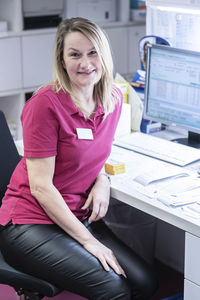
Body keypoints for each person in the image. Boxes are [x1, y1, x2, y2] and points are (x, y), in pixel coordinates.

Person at [0, 17, 158, 300]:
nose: (85, 63)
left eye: (92, 52)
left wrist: (103, 179)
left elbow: (90, 153)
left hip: (75, 216)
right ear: (62, 61)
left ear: (104, 55)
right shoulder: (45, 105)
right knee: (114, 288)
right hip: (30, 224)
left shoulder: (113, 99)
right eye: (74, 54)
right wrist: (89, 242)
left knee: (146, 283)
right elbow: (40, 187)